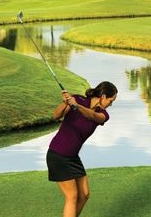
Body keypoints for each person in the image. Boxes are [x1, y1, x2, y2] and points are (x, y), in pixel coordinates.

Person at [46, 81, 118, 217]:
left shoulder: (103, 114)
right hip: (58, 154)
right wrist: (66, 102)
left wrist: (76, 106)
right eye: (111, 100)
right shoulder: (78, 99)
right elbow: (55, 115)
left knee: (84, 194)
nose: (111, 104)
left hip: (72, 157)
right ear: (103, 96)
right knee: (72, 196)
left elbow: (92, 116)